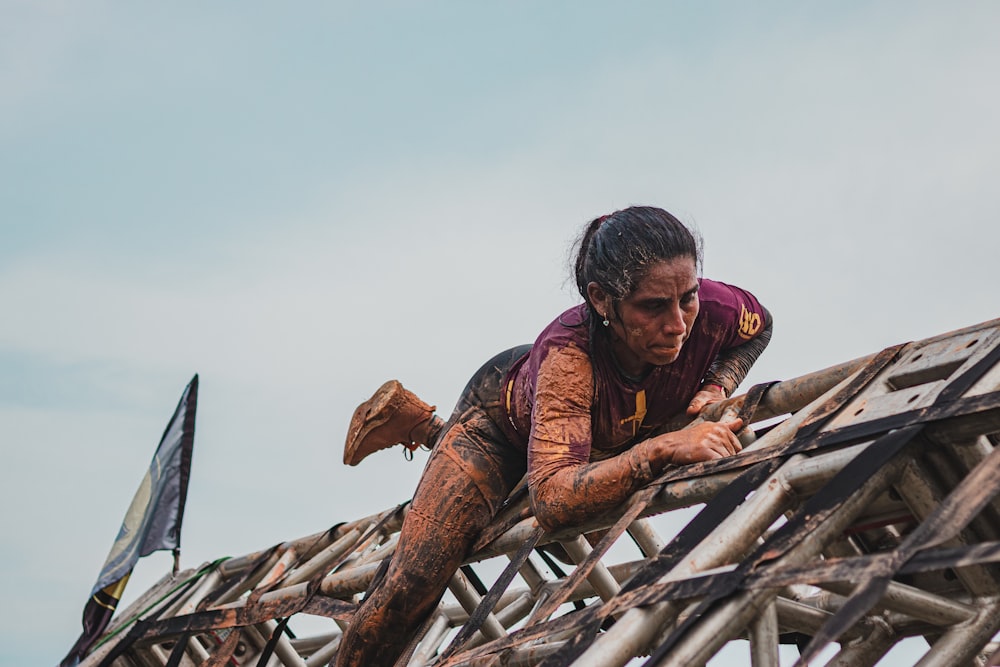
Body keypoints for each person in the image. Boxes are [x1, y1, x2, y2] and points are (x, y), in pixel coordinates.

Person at [335, 206, 772, 666]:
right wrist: (663, 447)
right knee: (412, 583)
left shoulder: (719, 310)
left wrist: (717, 384)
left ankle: (420, 425)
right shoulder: (569, 358)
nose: (679, 326)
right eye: (652, 307)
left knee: (570, 550)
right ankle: (427, 429)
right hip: (499, 428)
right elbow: (553, 499)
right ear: (602, 300)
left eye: (687, 297)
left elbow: (760, 329)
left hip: (603, 428)